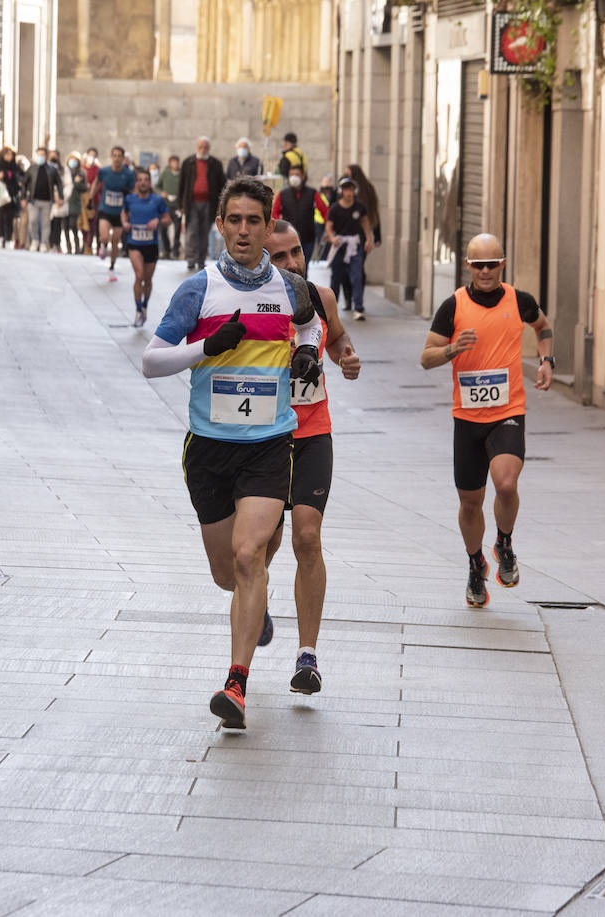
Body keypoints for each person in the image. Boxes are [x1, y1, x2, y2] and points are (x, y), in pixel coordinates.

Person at [140, 178, 323, 729]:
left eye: (254, 221)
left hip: (269, 445)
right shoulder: (199, 289)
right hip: (209, 450)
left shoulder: (290, 288)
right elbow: (152, 361)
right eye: (234, 221)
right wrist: (205, 348)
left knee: (249, 557)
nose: (244, 231)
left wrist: (308, 353)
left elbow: (310, 323)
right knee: (228, 573)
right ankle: (253, 603)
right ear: (219, 225)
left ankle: (236, 684)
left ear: (269, 228)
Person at [419, 233, 555, 607]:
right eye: (478, 265)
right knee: (470, 503)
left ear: (502, 265)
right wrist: (452, 348)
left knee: (506, 484)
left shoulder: (519, 300)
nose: (484, 271)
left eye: (491, 264)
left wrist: (546, 360)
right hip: (467, 418)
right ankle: (475, 563)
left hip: (507, 411)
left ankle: (504, 544)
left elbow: (543, 327)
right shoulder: (453, 306)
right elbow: (426, 357)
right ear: (468, 266)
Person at [262, 220, 360, 694]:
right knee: (265, 542)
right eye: (279, 256)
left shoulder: (321, 297)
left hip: (313, 434)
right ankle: (256, 601)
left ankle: (308, 656)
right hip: (264, 438)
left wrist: (346, 357)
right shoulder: (255, 303)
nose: (292, 263)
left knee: (307, 535)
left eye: (297, 252)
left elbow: (337, 338)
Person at [121, 168, 171, 326]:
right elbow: (124, 212)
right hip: (134, 243)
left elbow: (168, 219)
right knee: (139, 275)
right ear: (136, 183)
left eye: (146, 180)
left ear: (150, 183)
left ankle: (144, 306)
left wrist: (158, 221)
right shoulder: (130, 199)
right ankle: (137, 310)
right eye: (140, 180)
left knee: (148, 280)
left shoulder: (157, 200)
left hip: (151, 245)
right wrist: (124, 223)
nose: (143, 182)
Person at [325, 178, 374, 320]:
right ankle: (331, 309)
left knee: (357, 276)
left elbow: (365, 223)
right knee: (336, 278)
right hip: (340, 245)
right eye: (346, 190)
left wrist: (369, 239)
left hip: (354, 246)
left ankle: (358, 308)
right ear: (342, 191)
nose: (349, 193)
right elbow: (328, 226)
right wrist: (332, 238)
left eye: (351, 190)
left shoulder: (359, 207)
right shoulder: (335, 208)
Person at [179, 137, 226, 271]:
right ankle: (191, 259)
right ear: (196, 147)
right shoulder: (188, 162)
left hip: (209, 204)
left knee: (204, 232)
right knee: (192, 231)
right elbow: (181, 185)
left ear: (209, 148)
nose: (203, 149)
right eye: (201, 146)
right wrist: (180, 205)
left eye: (205, 147)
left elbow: (222, 185)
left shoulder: (215, 164)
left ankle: (201, 260)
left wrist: (221, 206)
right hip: (191, 203)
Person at [90, 146, 136, 275]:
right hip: (105, 208)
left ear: (123, 158)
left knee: (115, 241)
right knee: (104, 236)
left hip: (120, 212)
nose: (116, 158)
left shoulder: (128, 174)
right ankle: (104, 245)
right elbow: (96, 183)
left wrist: (132, 204)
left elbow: (133, 190)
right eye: (114, 155)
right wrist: (90, 197)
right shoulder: (104, 171)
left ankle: (112, 264)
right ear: (111, 157)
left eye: (119, 156)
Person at [271, 164, 323, 266]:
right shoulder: (283, 194)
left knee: (304, 266)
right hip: (287, 238)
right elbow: (274, 213)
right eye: (291, 175)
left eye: (297, 175)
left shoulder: (312, 193)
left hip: (308, 237)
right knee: (288, 266)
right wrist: (278, 229)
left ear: (303, 176)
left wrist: (327, 230)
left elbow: (325, 211)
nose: (293, 177)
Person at [23, 146, 64, 252]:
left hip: (47, 201)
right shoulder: (31, 168)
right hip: (33, 200)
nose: (40, 157)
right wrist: (23, 198)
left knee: (46, 223)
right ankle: (35, 240)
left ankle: (43, 243)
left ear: (46, 156)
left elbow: (59, 184)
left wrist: (61, 197)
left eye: (43, 155)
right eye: (39, 155)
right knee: (32, 221)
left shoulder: (52, 169)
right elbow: (25, 184)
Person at [0, 146, 22, 249]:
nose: (9, 156)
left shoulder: (15, 167)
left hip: (10, 197)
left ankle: (8, 239)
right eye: (7, 154)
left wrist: (11, 176)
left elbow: (21, 178)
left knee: (9, 218)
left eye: (11, 154)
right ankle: (0, 237)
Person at [344, 164, 381, 248]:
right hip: (347, 230)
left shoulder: (367, 189)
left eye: (347, 175)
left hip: (360, 230)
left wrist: (377, 236)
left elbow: (374, 211)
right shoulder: (344, 188)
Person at [157, 154, 183, 260]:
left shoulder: (182, 174)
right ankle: (166, 250)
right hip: (166, 206)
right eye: (173, 162)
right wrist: (161, 193)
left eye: (177, 162)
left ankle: (175, 251)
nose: (175, 164)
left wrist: (183, 205)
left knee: (177, 230)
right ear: (170, 163)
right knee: (163, 229)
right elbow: (157, 187)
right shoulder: (165, 173)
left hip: (178, 206)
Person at [49, 152, 72, 253]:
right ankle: (48, 244)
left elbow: (68, 185)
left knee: (57, 224)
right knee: (48, 224)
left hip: (60, 201)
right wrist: (53, 197)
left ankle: (56, 244)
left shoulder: (64, 170)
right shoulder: (46, 169)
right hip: (49, 200)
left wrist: (62, 198)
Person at [64, 152, 86, 254]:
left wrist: (76, 183)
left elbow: (84, 188)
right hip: (65, 202)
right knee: (65, 226)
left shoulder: (81, 173)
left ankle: (76, 247)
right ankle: (68, 247)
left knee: (73, 225)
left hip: (75, 203)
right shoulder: (64, 172)